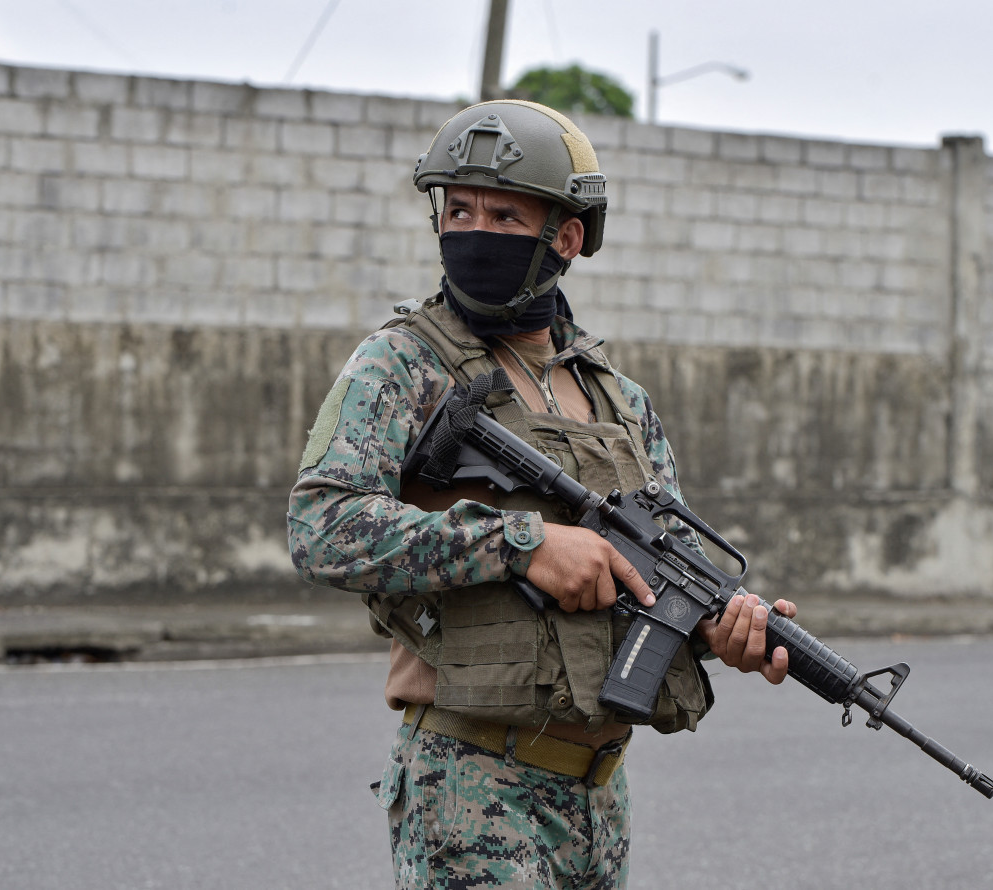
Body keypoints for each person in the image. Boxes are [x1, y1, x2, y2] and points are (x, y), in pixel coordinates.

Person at [287, 100, 797, 890]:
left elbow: (664, 578)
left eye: (503, 213)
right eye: (458, 208)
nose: (473, 230)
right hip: (471, 785)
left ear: (565, 237)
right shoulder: (401, 364)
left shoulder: (618, 397)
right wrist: (522, 544)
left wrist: (723, 630)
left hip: (598, 796)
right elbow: (322, 526)